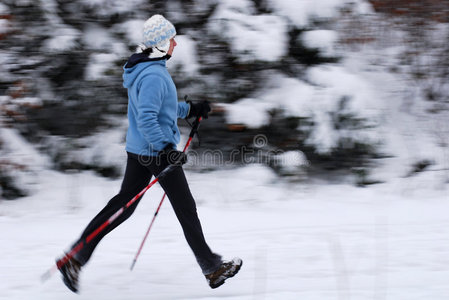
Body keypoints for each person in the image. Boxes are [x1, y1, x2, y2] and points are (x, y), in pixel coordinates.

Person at [57, 14, 242, 293]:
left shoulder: (144, 68)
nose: (176, 44)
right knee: (185, 209)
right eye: (171, 39)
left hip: (140, 149)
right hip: (155, 152)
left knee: (122, 207)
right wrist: (167, 150)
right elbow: (147, 119)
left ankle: (75, 258)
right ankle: (212, 268)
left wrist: (189, 109)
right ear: (160, 43)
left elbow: (160, 109)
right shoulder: (155, 74)